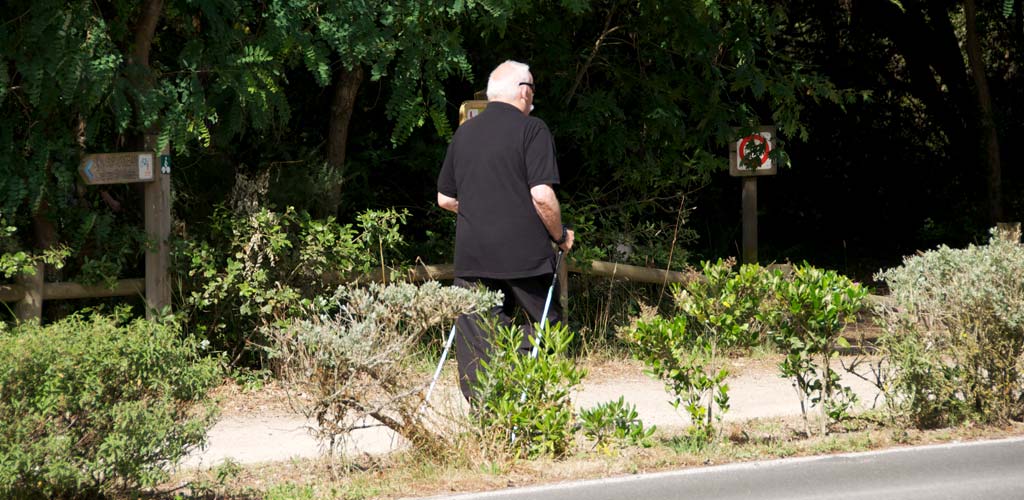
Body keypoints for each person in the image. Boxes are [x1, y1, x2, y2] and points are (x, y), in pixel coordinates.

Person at [436, 60, 575, 402]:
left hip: (472, 257)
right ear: (523, 92)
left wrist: (482, 211)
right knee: (545, 326)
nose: (533, 99)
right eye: (532, 90)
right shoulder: (533, 129)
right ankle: (529, 404)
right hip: (524, 256)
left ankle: (487, 413)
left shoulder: (465, 132)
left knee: (476, 338)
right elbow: (542, 195)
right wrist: (560, 237)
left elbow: (444, 198)